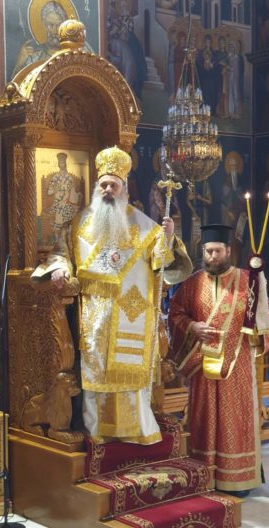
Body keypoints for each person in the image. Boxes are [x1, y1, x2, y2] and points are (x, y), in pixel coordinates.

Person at [32, 146, 192, 444]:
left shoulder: (145, 226)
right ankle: (98, 433)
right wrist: (60, 270)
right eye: (103, 185)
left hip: (132, 315)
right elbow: (61, 254)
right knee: (97, 377)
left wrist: (168, 238)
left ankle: (137, 432)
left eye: (113, 186)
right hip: (94, 318)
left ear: (123, 189)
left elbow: (162, 265)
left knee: (130, 379)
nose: (107, 190)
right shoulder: (79, 224)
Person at [168, 225, 269, 496]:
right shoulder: (193, 283)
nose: (212, 256)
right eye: (208, 251)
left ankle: (236, 478)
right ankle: (204, 475)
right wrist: (193, 327)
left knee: (234, 419)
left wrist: (256, 331)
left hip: (237, 366)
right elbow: (175, 312)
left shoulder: (247, 280)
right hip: (203, 365)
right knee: (204, 417)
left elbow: (266, 317)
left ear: (228, 251)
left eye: (217, 251)